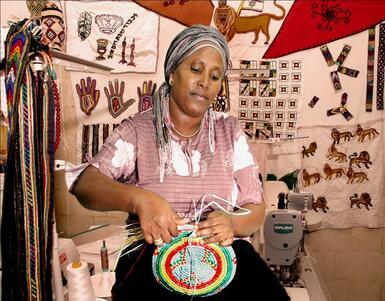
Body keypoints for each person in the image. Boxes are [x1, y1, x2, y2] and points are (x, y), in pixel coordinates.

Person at [70, 24, 290, 300]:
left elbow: (255, 209)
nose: (205, 82)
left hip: (221, 255)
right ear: (172, 72)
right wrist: (138, 199)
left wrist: (232, 223)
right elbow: (84, 184)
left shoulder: (229, 132)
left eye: (215, 76)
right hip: (151, 252)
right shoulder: (138, 130)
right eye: (196, 69)